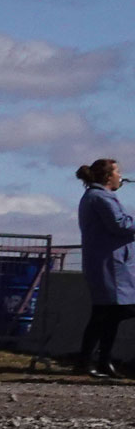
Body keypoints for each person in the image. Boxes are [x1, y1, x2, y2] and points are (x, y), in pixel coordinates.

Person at [74, 158, 135, 380]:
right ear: (108, 177)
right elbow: (120, 225)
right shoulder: (100, 198)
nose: (121, 176)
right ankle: (87, 361)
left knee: (109, 314)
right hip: (109, 264)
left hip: (113, 263)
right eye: (117, 172)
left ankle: (101, 361)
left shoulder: (100, 196)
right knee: (107, 312)